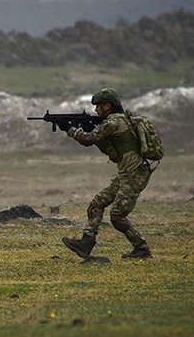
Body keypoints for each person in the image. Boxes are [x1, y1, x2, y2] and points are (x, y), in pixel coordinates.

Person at [62, 88, 153, 260]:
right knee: (97, 204)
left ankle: (142, 248)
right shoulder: (116, 120)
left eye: (98, 107)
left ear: (107, 106)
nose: (96, 111)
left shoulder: (114, 122)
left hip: (135, 174)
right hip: (127, 174)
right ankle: (86, 243)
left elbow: (88, 140)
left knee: (117, 216)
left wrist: (70, 129)